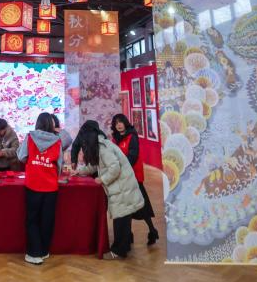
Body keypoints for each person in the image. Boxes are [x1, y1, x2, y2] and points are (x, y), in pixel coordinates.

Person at [72, 120, 145, 260]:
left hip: (122, 187)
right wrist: (80, 171)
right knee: (123, 219)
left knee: (120, 220)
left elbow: (114, 168)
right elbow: (95, 166)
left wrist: (102, 179)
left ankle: (118, 251)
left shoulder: (103, 147)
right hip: (121, 186)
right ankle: (124, 247)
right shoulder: (100, 145)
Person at [17, 112, 63, 265]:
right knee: (47, 220)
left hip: (33, 184)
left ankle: (34, 253)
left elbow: (21, 156)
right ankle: (43, 251)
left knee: (32, 220)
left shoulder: (30, 137)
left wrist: (32, 161)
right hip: (51, 186)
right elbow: (59, 165)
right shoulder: (57, 140)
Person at [111, 113, 159, 245]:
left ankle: (152, 231)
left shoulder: (132, 136)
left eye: (120, 122)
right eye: (116, 123)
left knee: (142, 205)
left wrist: (121, 168)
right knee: (127, 207)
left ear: (125, 122)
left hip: (134, 176)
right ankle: (128, 234)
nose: (119, 125)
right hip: (122, 177)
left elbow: (133, 156)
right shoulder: (115, 138)